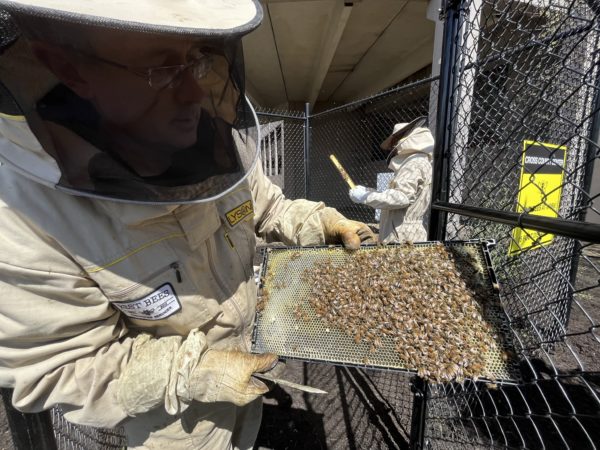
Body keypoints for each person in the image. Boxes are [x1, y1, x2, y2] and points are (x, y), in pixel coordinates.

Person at [0, 1, 375, 448]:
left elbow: (267, 207)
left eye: (199, 60)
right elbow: (59, 364)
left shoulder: (219, 145)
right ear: (68, 68)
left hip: (244, 389)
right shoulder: (23, 216)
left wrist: (319, 221)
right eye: (159, 70)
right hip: (172, 423)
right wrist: (192, 373)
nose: (196, 93)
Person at [349, 117, 434, 243]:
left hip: (402, 235)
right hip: (402, 230)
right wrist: (369, 191)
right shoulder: (418, 161)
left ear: (406, 138)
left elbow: (401, 197)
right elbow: (399, 195)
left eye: (395, 140)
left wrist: (366, 197)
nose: (393, 146)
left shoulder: (414, 163)